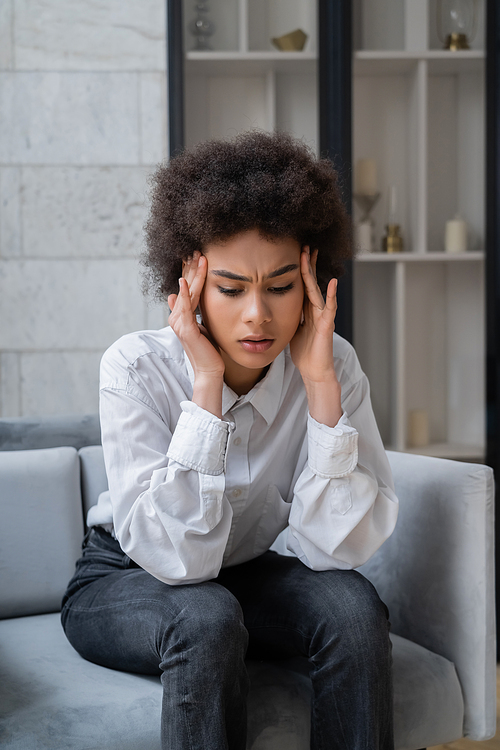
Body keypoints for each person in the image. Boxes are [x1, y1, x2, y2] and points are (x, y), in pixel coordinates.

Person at [61, 130, 399, 750]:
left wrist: (322, 385)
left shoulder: (332, 364)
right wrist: (208, 385)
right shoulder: (135, 367)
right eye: (230, 287)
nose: (257, 316)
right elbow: (179, 561)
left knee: (353, 609)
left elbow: (337, 548)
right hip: (130, 575)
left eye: (279, 286)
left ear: (311, 280)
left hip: (241, 568)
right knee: (206, 616)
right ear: (189, 284)